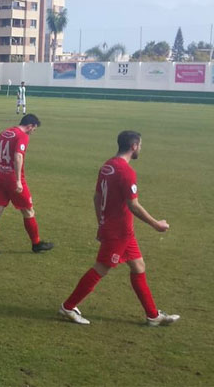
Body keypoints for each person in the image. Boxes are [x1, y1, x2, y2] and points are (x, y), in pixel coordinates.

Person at [59, 131, 179, 326]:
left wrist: (101, 223)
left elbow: (97, 198)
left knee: (139, 266)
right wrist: (157, 224)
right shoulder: (126, 172)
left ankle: (153, 316)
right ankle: (68, 307)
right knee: (101, 269)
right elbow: (134, 205)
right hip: (118, 232)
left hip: (119, 230)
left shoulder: (107, 165)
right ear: (133, 146)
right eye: (140, 145)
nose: (141, 148)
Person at [0, 114, 53, 255]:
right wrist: (18, 180)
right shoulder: (22, 136)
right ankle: (36, 243)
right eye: (34, 129)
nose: (33, 132)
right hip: (12, 178)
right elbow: (18, 156)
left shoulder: (5, 132)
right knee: (28, 210)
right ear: (30, 125)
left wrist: (3, 164)